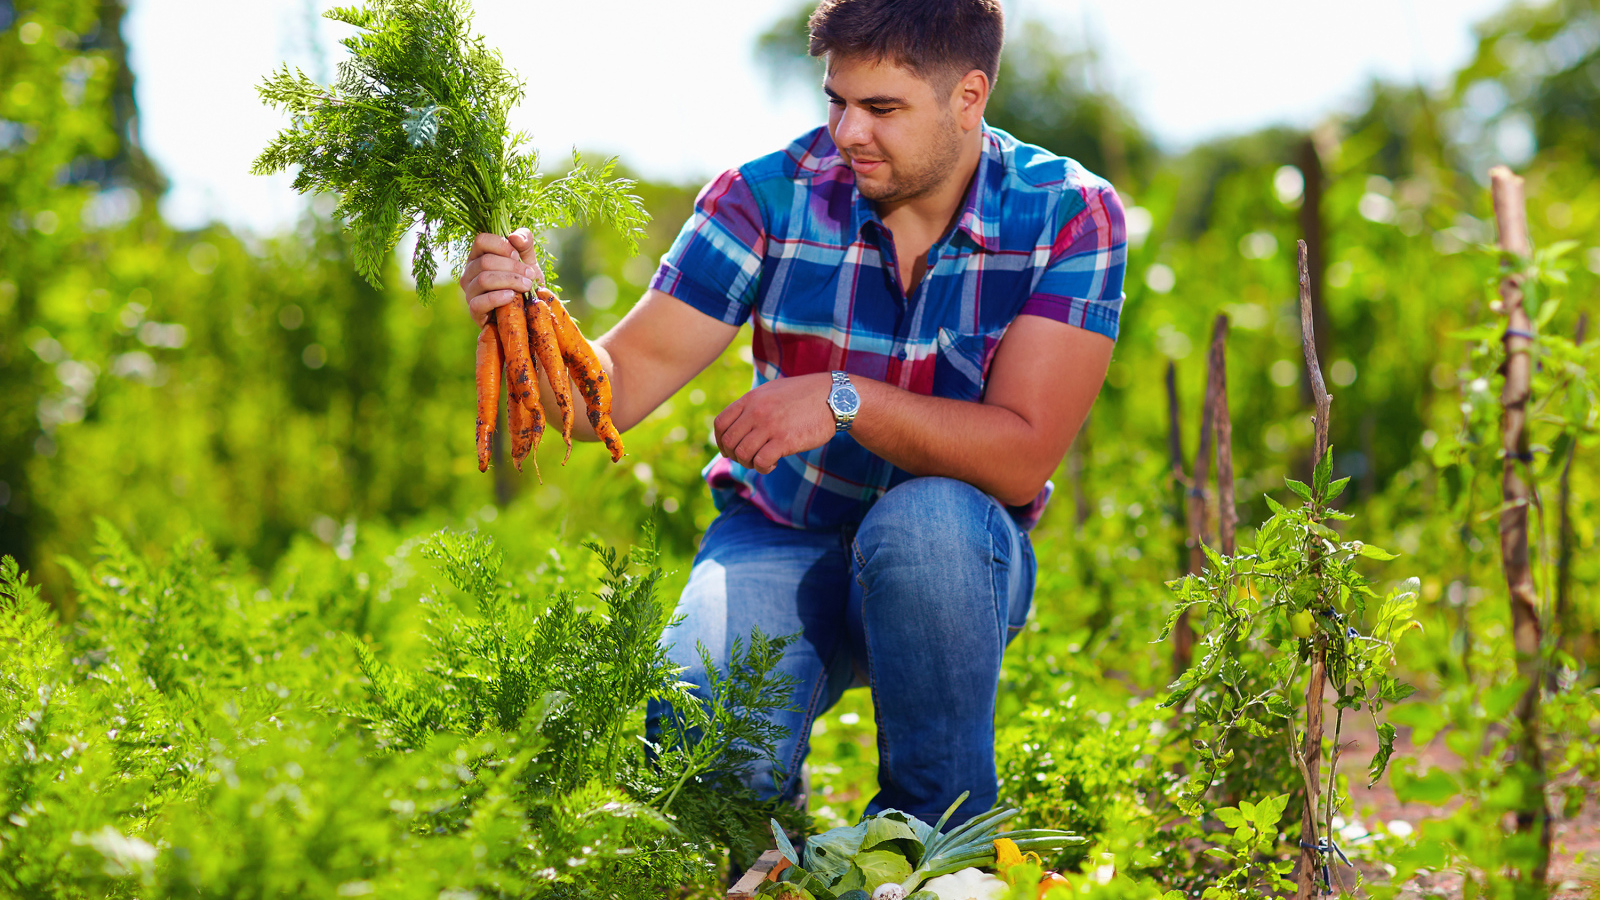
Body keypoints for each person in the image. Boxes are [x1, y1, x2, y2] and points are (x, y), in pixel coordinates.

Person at [459, 0, 1125, 826]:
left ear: (968, 97)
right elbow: (613, 391)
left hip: (953, 560)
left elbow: (1021, 459)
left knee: (925, 525)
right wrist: (523, 316)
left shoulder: (1068, 215)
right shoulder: (765, 196)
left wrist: (844, 399)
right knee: (706, 772)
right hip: (780, 530)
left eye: (881, 108)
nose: (849, 132)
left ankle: (932, 836)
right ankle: (768, 831)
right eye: (836, 100)